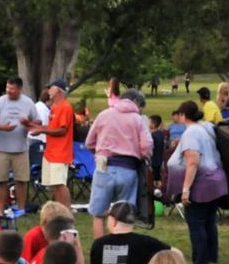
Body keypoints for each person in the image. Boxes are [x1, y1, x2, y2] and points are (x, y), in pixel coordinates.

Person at [86, 89, 153, 239]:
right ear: (136, 102)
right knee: (124, 213)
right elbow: (147, 145)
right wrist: (141, 155)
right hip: (128, 169)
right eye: (141, 106)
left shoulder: (104, 114)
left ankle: (100, 249)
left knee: (98, 214)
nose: (141, 109)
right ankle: (122, 251)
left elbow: (89, 142)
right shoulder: (138, 119)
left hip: (103, 167)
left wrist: (99, 152)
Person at [169, 101, 226, 264]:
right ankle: (211, 256)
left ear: (183, 115)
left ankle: (200, 260)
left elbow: (193, 162)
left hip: (202, 183)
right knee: (209, 220)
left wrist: (185, 190)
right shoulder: (205, 127)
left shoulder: (191, 133)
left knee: (196, 222)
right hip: (216, 180)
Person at [0, 77, 38, 211]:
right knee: (2, 181)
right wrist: (2, 128)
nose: (8, 91)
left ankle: (21, 209)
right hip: (1, 148)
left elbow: (38, 123)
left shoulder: (28, 102)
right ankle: (0, 209)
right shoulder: (0, 102)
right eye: (7, 88)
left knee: (21, 180)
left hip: (21, 149)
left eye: (12, 89)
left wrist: (27, 124)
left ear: (19, 89)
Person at [32, 78, 75, 206]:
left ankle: (67, 212)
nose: (48, 90)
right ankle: (60, 210)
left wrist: (42, 131)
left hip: (60, 152)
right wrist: (39, 128)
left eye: (51, 88)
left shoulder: (65, 107)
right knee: (53, 185)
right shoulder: (54, 107)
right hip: (50, 152)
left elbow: (62, 130)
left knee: (60, 184)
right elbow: (52, 128)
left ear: (59, 91)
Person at [149, 115, 166, 186]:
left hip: (154, 161)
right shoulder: (160, 134)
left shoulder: (153, 136)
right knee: (157, 177)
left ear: (153, 124)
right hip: (159, 160)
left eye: (149, 122)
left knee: (154, 179)